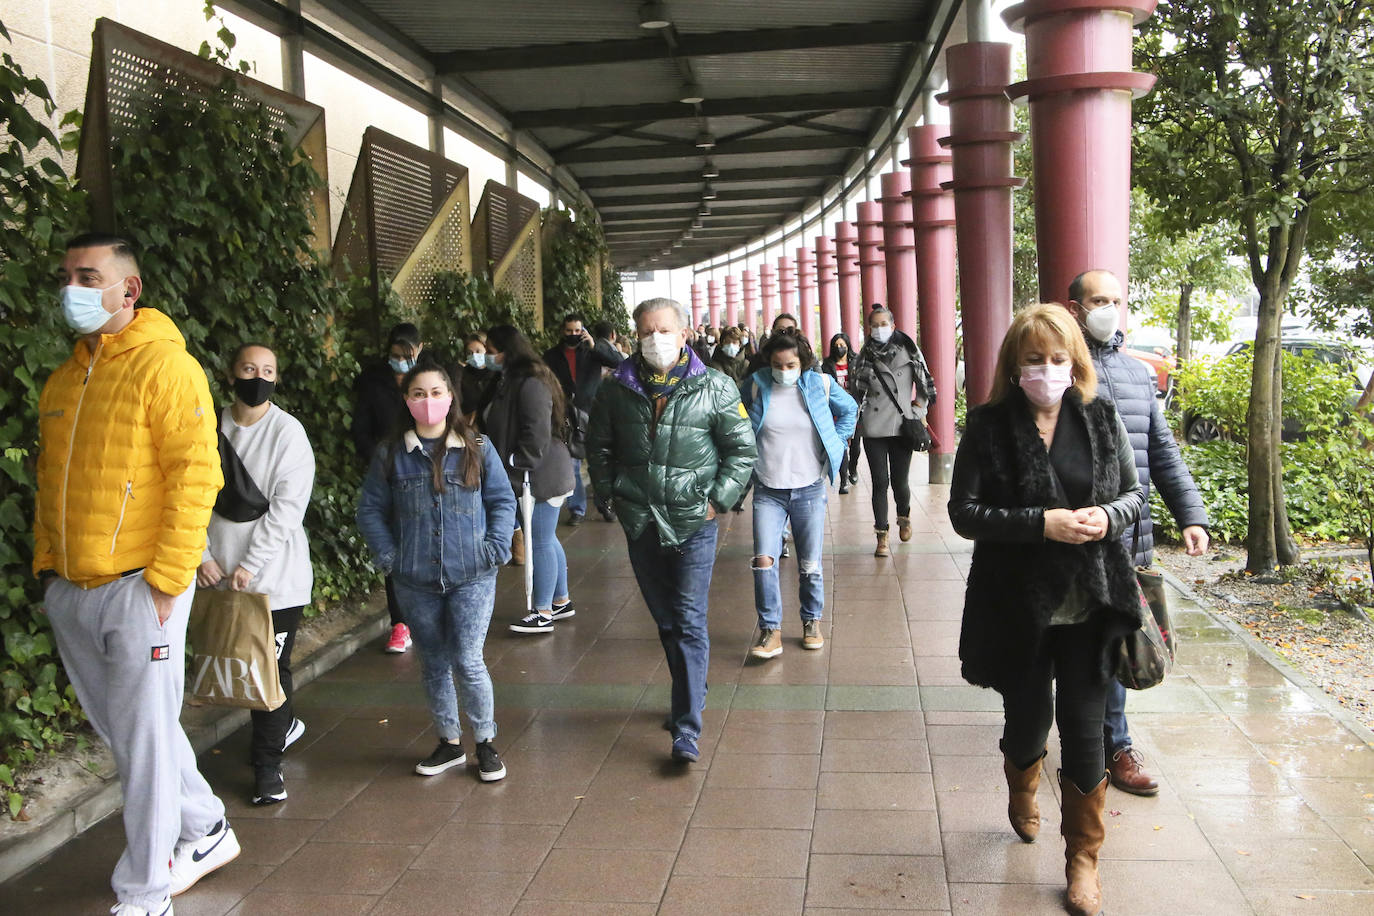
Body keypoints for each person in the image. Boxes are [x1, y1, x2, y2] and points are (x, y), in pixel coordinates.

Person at [34, 233, 238, 914]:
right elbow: (51, 481)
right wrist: (48, 567)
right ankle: (206, 826)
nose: (73, 289)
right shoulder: (66, 378)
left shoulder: (167, 368)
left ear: (130, 288)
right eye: (68, 276)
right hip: (73, 586)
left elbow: (196, 476)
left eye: (89, 277)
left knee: (143, 745)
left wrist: (168, 581)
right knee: (134, 735)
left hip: (139, 588)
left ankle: (147, 893)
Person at [949, 303, 1143, 916]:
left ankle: (1083, 858)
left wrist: (1106, 516)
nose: (1048, 370)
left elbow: (1134, 495)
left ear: (1075, 362)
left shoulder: (1101, 418)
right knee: (1029, 722)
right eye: (1035, 359)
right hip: (1019, 607)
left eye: (1059, 358)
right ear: (1015, 365)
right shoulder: (988, 426)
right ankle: (1022, 782)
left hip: (1092, 602)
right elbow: (964, 513)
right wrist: (1041, 523)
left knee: (1086, 733)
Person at [586, 298, 756, 762]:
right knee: (666, 621)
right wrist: (611, 492)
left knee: (688, 619)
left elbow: (742, 451)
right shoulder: (616, 389)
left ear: (684, 335)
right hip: (641, 521)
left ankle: (686, 729)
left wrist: (716, 501)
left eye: (663, 330)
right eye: (646, 332)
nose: (655, 339)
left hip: (693, 523)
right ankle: (692, 689)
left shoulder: (716, 386)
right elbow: (598, 446)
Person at [1069, 269, 1210, 796]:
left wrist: (1191, 515)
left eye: (1115, 299)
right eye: (1098, 300)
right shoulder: (1060, 372)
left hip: (1129, 536)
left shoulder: (1136, 373)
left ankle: (1115, 744)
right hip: (1075, 535)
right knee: (1076, 645)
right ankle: (1075, 732)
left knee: (1114, 642)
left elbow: (1162, 450)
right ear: (1075, 308)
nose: (1108, 309)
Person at [356, 363, 514, 782]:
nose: (428, 401)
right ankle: (449, 741)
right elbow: (370, 509)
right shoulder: (392, 453)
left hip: (473, 575)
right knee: (433, 662)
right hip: (415, 579)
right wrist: (390, 558)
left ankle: (486, 742)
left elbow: (502, 499)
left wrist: (495, 548)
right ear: (406, 400)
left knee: (468, 659)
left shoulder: (477, 446)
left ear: (450, 397)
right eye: (419, 393)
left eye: (436, 392)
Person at [199, 343, 314, 807]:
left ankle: (267, 767)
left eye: (268, 370)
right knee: (236, 664)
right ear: (232, 374)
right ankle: (284, 725)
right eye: (249, 368)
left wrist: (250, 564)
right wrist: (201, 554)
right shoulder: (207, 427)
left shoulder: (288, 433)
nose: (258, 378)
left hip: (276, 579)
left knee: (269, 670)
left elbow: (287, 509)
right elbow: (186, 494)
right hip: (215, 574)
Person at [739, 332, 857, 658]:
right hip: (768, 489)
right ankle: (770, 630)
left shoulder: (820, 384)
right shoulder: (756, 385)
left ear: (802, 362)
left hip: (809, 487)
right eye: (777, 364)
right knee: (764, 559)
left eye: (790, 364)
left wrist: (837, 442)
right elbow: (735, 419)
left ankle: (811, 620)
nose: (783, 370)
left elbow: (850, 410)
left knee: (809, 562)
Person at [486, 324, 578, 634]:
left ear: (506, 351)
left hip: (538, 475)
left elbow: (536, 432)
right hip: (542, 471)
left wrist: (516, 461)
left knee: (539, 540)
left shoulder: (530, 383)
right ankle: (560, 601)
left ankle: (542, 611)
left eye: (491, 351)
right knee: (546, 537)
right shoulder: (516, 379)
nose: (487, 357)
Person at [351, 322, 426, 654]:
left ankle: (428, 611)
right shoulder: (373, 383)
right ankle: (400, 623)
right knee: (395, 547)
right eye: (395, 356)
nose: (400, 363)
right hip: (389, 475)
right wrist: (382, 460)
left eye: (406, 356)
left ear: (419, 351)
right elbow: (361, 430)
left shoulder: (428, 381)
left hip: (425, 472)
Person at [850, 307, 936, 556]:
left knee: (900, 481)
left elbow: (924, 383)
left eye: (884, 323)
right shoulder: (863, 356)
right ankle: (882, 535)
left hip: (902, 425)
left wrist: (918, 409)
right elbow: (856, 391)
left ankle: (904, 516)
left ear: (893, 325)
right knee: (879, 482)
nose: (880, 329)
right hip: (873, 427)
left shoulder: (909, 350)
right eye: (875, 325)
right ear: (869, 329)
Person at [543, 313, 622, 527]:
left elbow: (619, 363)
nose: (573, 334)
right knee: (573, 463)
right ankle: (577, 509)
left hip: (593, 412)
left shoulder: (592, 352)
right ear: (562, 331)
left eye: (577, 330)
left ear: (583, 331)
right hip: (567, 415)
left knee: (599, 461)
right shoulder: (552, 355)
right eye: (569, 330)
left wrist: (595, 346)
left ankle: (604, 504)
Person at [821, 332, 861, 495]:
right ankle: (843, 480)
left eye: (842, 345)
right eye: (836, 346)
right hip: (836, 410)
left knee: (856, 446)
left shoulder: (856, 362)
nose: (840, 348)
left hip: (855, 409)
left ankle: (853, 468)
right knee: (841, 443)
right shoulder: (827, 365)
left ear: (848, 346)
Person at [458, 332, 498, 423]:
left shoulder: (497, 373)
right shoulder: (462, 374)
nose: (474, 356)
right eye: (470, 353)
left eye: (478, 351)